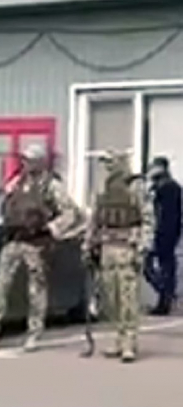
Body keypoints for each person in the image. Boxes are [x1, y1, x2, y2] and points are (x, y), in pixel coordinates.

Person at [0, 145, 80, 353]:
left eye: (30, 160)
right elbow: (2, 205)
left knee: (36, 290)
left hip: (36, 244)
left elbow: (70, 213)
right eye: (24, 159)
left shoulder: (51, 186)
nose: (26, 163)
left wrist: (51, 229)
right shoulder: (17, 182)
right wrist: (1, 222)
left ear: (40, 162)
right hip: (14, 240)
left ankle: (34, 334)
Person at [84, 150, 154, 363]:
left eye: (110, 162)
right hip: (106, 249)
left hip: (127, 249)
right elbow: (94, 219)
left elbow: (148, 219)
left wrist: (143, 246)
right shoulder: (102, 189)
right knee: (110, 298)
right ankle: (118, 336)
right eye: (105, 163)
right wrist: (88, 244)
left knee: (127, 297)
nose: (107, 167)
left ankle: (129, 342)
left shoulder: (135, 188)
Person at [146, 156, 181, 315]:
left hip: (165, 233)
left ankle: (165, 297)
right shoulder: (160, 187)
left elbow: (166, 214)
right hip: (165, 232)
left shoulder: (168, 188)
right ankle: (166, 296)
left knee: (161, 266)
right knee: (163, 266)